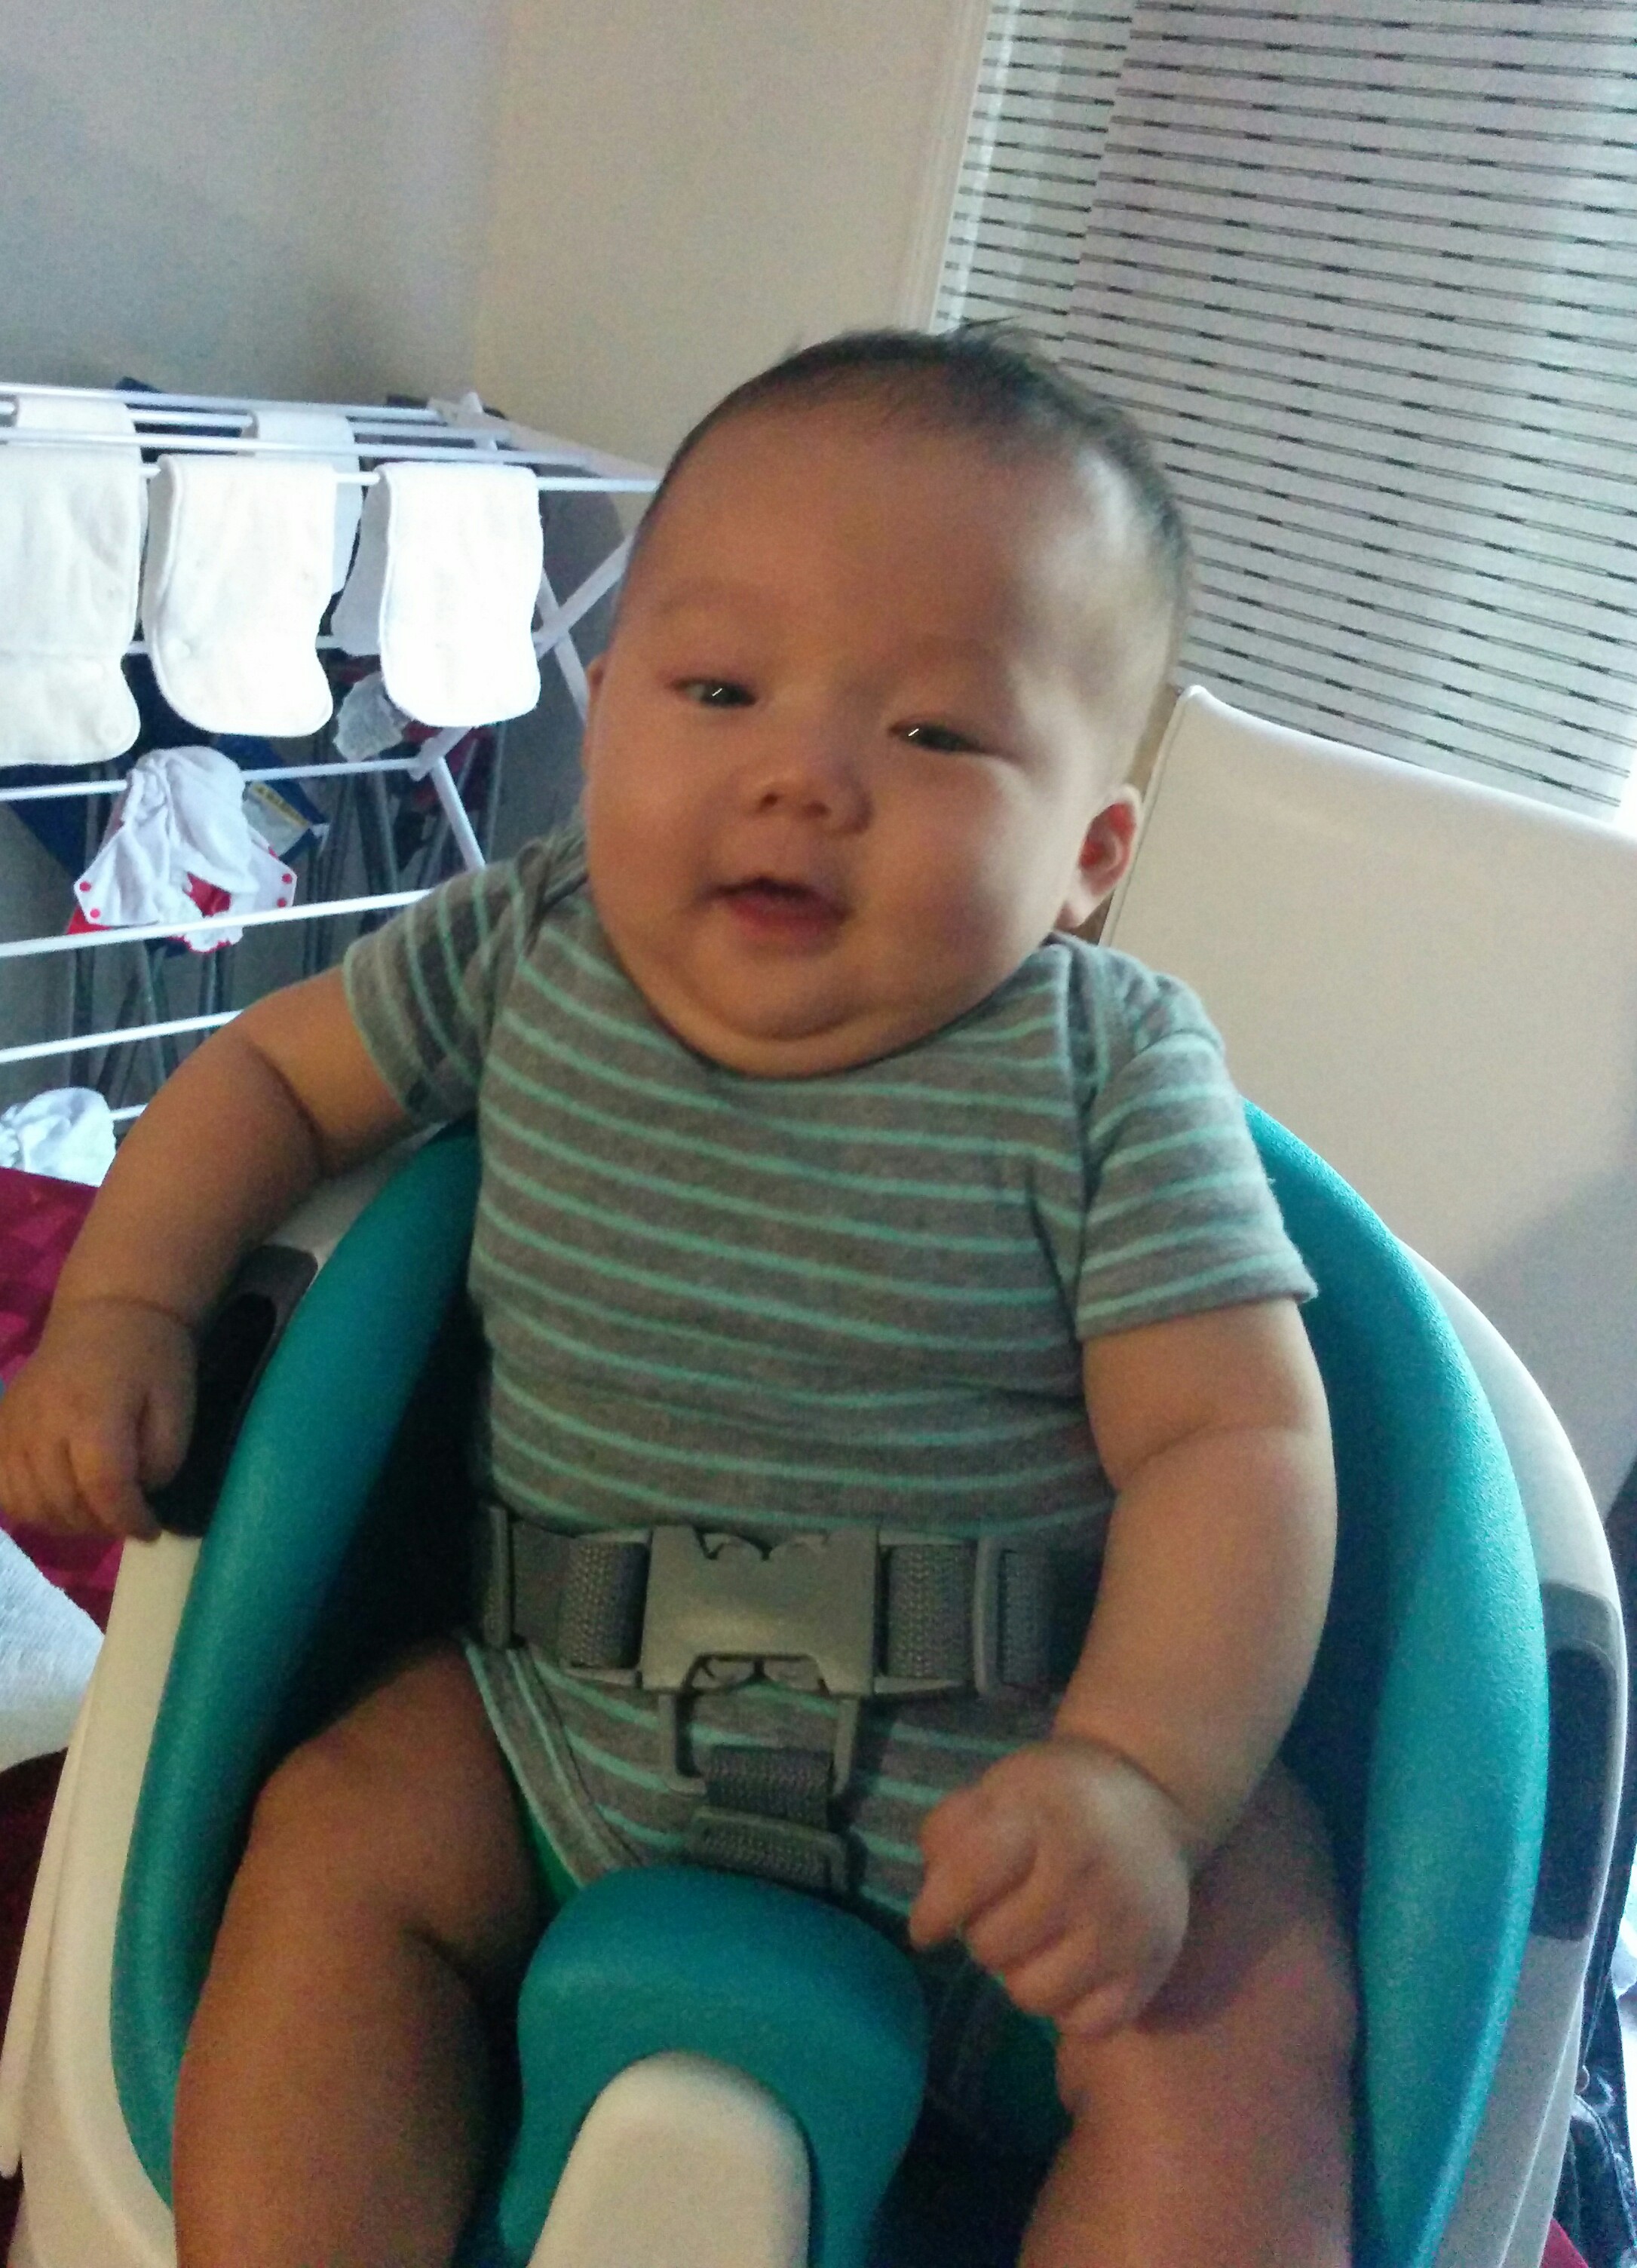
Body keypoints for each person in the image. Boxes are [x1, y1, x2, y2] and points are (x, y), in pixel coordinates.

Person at [0, 329, 1353, 2268]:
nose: (802, 776)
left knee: (1250, 2001)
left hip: (1014, 1786)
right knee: (335, 1843)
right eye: (718, 689)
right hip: (556, 1725)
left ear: (1090, 855)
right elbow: (270, 1080)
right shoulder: (524, 940)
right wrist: (125, 1307)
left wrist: (1143, 1779)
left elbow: (1233, 1439)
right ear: (614, 698)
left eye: (936, 736)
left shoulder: (1109, 1068)